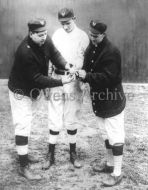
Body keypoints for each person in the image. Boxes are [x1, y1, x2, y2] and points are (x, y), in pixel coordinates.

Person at [8, 18, 74, 180]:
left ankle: (23, 156)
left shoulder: (45, 39)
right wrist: (60, 81)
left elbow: (55, 54)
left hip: (33, 90)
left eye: (45, 33)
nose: (44, 37)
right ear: (31, 34)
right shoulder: (24, 51)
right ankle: (23, 166)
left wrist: (67, 65)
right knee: (22, 125)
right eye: (39, 35)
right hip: (21, 91)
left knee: (28, 121)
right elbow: (37, 78)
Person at [77, 20, 126, 187]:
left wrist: (87, 77)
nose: (92, 38)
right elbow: (87, 65)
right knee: (105, 133)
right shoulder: (93, 46)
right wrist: (81, 75)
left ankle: (117, 173)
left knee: (115, 135)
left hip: (112, 99)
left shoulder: (112, 52)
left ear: (103, 34)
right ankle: (109, 163)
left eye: (95, 36)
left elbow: (109, 78)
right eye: (91, 34)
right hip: (99, 99)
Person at [42, 8, 89, 170]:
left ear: (74, 18)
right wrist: (48, 82)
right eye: (62, 23)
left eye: (68, 23)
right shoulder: (56, 35)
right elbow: (49, 59)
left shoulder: (83, 36)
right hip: (56, 77)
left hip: (73, 80)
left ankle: (73, 153)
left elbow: (88, 61)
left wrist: (84, 81)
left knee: (71, 116)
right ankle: (51, 154)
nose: (65, 26)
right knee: (54, 116)